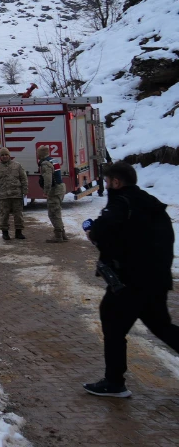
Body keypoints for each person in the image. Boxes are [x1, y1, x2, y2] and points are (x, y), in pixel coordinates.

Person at [83, 162, 179, 398]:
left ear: (116, 182)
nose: (107, 185)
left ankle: (114, 382)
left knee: (113, 326)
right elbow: (164, 239)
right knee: (161, 326)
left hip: (128, 283)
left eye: (107, 182)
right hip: (156, 279)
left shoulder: (120, 203)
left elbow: (103, 234)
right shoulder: (150, 203)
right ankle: (114, 381)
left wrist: (91, 232)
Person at [0, 147, 28, 240]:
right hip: (3, 195)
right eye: (2, 155)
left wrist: (25, 190)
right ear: (0, 157)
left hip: (16, 194)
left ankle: (19, 232)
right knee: (4, 215)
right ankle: (5, 233)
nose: (4, 157)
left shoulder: (17, 166)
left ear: (9, 155)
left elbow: (23, 179)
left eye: (6, 155)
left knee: (18, 214)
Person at [37, 145, 68, 242]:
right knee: (57, 211)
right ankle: (63, 235)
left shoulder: (45, 163)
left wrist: (46, 191)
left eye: (38, 153)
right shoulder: (53, 160)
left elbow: (48, 179)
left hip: (54, 190)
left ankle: (58, 236)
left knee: (53, 213)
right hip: (60, 187)